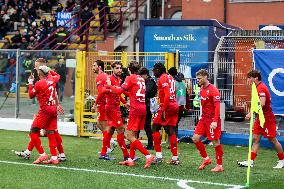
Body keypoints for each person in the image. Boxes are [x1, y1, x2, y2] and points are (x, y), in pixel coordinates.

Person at [15, 58, 66, 162]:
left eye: (37, 66)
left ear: (42, 68)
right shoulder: (52, 78)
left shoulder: (40, 82)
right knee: (51, 131)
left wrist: (30, 83)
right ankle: (55, 156)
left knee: (35, 131)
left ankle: (44, 154)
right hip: (53, 108)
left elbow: (30, 95)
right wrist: (57, 103)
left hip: (46, 110)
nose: (35, 68)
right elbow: (56, 82)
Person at [106, 62, 155, 168]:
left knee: (128, 135)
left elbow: (119, 91)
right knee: (134, 135)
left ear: (128, 69)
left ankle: (148, 155)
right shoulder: (141, 79)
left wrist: (110, 85)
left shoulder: (130, 78)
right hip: (143, 108)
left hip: (135, 109)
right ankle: (130, 159)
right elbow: (133, 92)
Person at [238, 69, 284, 169]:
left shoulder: (261, 88)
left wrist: (251, 112)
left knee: (272, 140)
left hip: (267, 119)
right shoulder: (256, 87)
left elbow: (262, 103)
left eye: (250, 78)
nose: (248, 80)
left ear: (256, 78)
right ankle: (250, 161)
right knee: (256, 139)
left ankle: (282, 160)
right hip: (260, 118)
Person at [192, 69, 224, 172]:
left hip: (212, 120)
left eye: (199, 78)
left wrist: (215, 121)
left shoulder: (213, 90)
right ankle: (206, 159)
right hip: (203, 118)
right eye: (197, 79)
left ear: (205, 76)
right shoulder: (201, 89)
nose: (198, 80)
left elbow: (217, 106)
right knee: (195, 138)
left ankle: (219, 165)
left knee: (215, 141)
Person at [99, 62, 129, 160]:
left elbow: (118, 93)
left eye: (120, 68)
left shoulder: (118, 79)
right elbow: (103, 91)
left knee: (110, 130)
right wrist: (113, 90)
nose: (119, 70)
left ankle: (103, 153)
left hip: (115, 107)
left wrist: (124, 102)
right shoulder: (110, 79)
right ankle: (126, 156)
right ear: (113, 69)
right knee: (121, 129)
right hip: (111, 108)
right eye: (117, 68)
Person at [151, 63, 180, 165]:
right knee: (171, 130)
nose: (153, 72)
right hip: (174, 105)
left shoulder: (162, 78)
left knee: (154, 128)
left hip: (167, 106)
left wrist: (163, 109)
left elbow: (167, 94)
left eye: (154, 70)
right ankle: (175, 158)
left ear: (158, 69)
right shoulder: (170, 77)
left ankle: (159, 156)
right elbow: (173, 91)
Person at [91, 59, 116, 159]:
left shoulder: (100, 77)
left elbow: (101, 92)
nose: (92, 67)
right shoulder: (105, 76)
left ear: (99, 67)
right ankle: (110, 143)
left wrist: (95, 104)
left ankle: (105, 150)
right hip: (106, 103)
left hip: (104, 104)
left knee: (105, 127)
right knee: (99, 124)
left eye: (94, 65)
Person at [138, 67, 157, 150]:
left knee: (147, 125)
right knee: (142, 124)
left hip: (148, 105)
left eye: (141, 76)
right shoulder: (149, 81)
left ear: (145, 75)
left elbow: (145, 92)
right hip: (146, 105)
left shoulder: (150, 82)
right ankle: (135, 141)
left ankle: (150, 144)